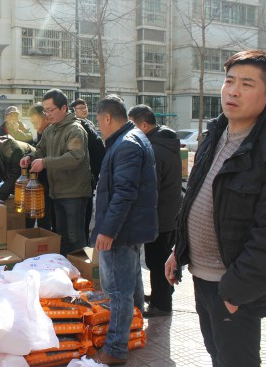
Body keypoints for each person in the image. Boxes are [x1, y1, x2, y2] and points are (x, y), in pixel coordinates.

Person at [165, 50, 266, 367]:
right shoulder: (215, 133)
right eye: (229, 81)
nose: (233, 91)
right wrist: (178, 250)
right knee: (216, 354)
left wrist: (235, 292)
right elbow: (196, 196)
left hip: (234, 286)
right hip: (202, 278)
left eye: (246, 84)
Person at [90, 95, 158, 366]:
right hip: (130, 227)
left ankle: (115, 349)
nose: (99, 127)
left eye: (99, 121)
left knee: (118, 290)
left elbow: (124, 192)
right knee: (132, 281)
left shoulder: (126, 144)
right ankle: (134, 330)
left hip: (121, 230)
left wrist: (107, 231)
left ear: (107, 118)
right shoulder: (132, 137)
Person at [20, 88, 91, 255]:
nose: (47, 115)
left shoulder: (75, 130)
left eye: (50, 110)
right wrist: (30, 157)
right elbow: (41, 150)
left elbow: (75, 157)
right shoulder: (50, 130)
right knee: (62, 237)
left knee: (75, 238)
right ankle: (66, 268)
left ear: (64, 108)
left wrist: (44, 162)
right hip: (57, 192)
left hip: (74, 193)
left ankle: (80, 270)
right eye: (45, 111)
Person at [128, 104, 181, 318]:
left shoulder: (155, 150)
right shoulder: (163, 143)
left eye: (132, 125)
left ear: (144, 125)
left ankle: (162, 304)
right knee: (161, 259)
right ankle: (162, 295)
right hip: (168, 212)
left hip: (159, 215)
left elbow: (152, 188)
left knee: (157, 261)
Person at [72, 99, 106, 243]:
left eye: (85, 106)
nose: (84, 109)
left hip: (92, 173)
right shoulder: (77, 126)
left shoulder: (88, 124)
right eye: (80, 108)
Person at [27, 103, 54, 230]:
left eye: (35, 122)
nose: (34, 126)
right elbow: (39, 151)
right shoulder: (41, 132)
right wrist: (29, 157)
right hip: (43, 184)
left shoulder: (53, 132)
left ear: (46, 118)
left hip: (54, 185)